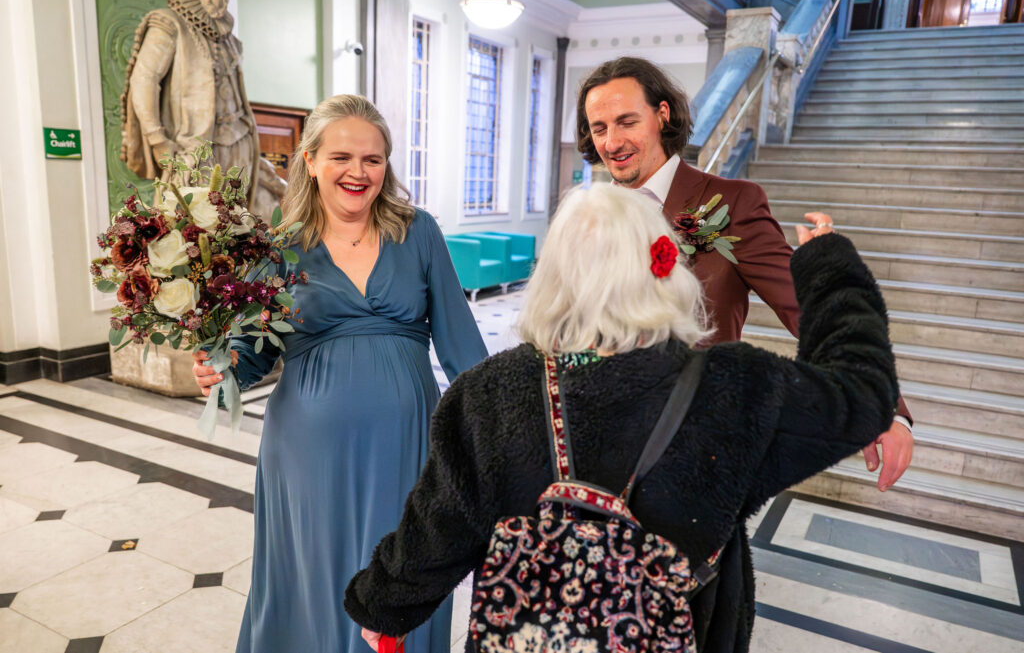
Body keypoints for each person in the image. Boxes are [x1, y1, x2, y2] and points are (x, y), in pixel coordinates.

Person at [345, 183, 899, 653]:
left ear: (554, 273)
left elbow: (440, 528)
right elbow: (862, 391)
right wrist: (828, 264)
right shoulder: (735, 390)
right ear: (663, 266)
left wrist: (383, 606)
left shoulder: (488, 394)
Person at [192, 94, 488, 653]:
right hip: (307, 451)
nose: (358, 172)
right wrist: (220, 367)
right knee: (317, 577)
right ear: (310, 160)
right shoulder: (279, 247)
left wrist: (499, 428)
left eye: (373, 160)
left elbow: (462, 344)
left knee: (404, 571)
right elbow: (254, 350)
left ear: (387, 165)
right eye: (342, 157)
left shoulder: (418, 232)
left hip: (407, 446)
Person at [574, 56, 912, 490]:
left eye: (626, 122)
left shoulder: (730, 204)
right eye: (599, 128)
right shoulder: (589, 216)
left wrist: (885, 404)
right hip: (597, 440)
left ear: (662, 115)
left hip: (690, 442)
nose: (612, 142)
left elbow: (802, 307)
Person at [121, 0, 284, 220]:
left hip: (240, 143)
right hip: (196, 150)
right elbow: (144, 78)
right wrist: (157, 139)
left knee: (237, 227)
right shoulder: (170, 23)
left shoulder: (232, 41)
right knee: (191, 230)